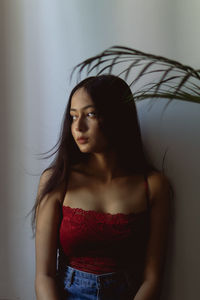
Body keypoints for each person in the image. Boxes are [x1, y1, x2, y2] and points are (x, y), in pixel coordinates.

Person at [32, 75, 171, 300]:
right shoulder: (58, 181)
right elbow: (44, 276)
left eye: (90, 114)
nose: (78, 127)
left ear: (117, 117)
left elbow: (152, 278)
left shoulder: (154, 186)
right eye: (73, 116)